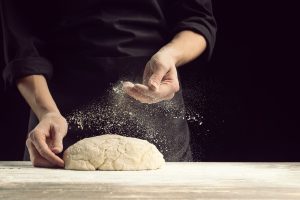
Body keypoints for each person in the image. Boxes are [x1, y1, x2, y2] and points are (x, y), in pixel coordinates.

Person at [0, 0, 216, 167]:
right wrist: (47, 112)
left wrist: (170, 55)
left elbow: (197, 19)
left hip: (154, 98)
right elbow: (23, 45)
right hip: (58, 117)